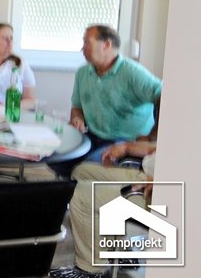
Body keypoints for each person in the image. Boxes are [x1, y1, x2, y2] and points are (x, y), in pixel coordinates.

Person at [50, 25, 161, 178]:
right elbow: (77, 106)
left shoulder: (133, 73)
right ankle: (72, 189)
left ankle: (77, 187)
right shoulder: (83, 73)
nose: (82, 49)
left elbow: (165, 96)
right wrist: (77, 118)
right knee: (55, 156)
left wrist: (151, 137)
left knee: (86, 168)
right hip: (91, 136)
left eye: (87, 43)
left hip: (124, 142)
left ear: (106, 45)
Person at [49, 141, 157, 278]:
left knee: (82, 195)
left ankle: (91, 271)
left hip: (157, 194)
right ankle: (114, 249)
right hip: (147, 175)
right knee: (81, 172)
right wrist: (126, 147)